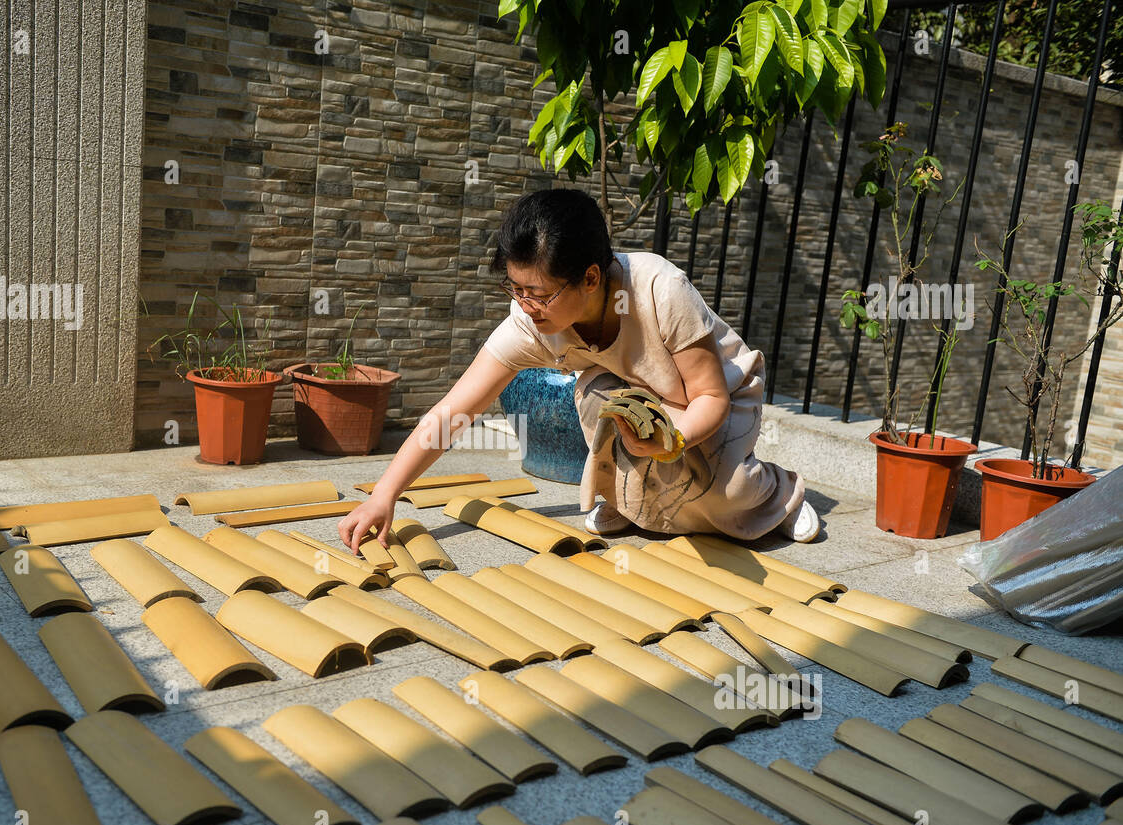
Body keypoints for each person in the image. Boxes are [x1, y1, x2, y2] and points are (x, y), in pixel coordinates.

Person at [338, 187, 819, 554]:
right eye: (516, 289)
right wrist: (386, 494)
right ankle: (632, 504)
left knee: (725, 498)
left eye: (539, 293)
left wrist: (670, 440)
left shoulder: (659, 289)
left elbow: (710, 399)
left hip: (717, 401)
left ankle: (779, 494)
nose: (526, 306)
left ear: (591, 277)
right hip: (642, 405)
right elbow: (454, 411)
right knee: (600, 397)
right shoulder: (530, 324)